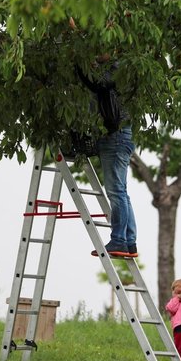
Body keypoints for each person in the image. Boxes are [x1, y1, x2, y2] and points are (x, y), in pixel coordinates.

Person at [70, 58, 138, 259]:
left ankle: (119, 240)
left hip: (115, 136)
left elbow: (99, 84)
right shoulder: (119, 66)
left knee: (117, 192)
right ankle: (129, 241)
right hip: (119, 135)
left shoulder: (115, 67)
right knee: (121, 192)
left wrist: (80, 64)